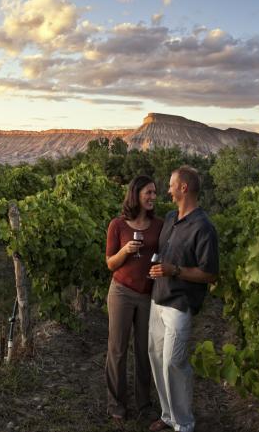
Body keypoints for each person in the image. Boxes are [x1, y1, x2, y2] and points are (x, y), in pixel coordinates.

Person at [147, 166, 219, 432]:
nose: (167, 190)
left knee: (174, 363)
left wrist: (174, 270)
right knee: (156, 358)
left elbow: (209, 274)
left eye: (171, 185)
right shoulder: (170, 218)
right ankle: (168, 415)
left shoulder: (204, 227)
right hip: (158, 298)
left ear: (183, 188)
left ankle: (184, 423)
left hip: (180, 303)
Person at [105, 175, 165, 428]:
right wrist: (126, 250)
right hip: (121, 291)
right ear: (136, 194)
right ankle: (116, 405)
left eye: (154, 193)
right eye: (148, 192)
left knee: (144, 351)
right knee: (117, 350)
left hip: (148, 295)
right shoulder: (118, 225)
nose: (153, 197)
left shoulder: (159, 225)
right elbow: (110, 263)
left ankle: (144, 405)